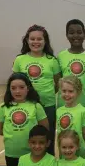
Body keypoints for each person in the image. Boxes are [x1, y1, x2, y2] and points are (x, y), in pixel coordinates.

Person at [0, 72, 49, 166]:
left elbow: (44, 128)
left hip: (32, 153)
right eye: (13, 88)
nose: (17, 91)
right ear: (9, 90)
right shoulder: (3, 107)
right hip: (12, 153)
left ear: (28, 88)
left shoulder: (35, 106)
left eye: (21, 87)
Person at [13, 24, 61, 155]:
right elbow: (15, 82)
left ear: (45, 41)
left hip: (48, 106)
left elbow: (57, 83)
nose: (36, 42)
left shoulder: (52, 60)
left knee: (48, 141)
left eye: (39, 39)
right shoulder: (20, 59)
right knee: (31, 141)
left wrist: (46, 94)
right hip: (27, 106)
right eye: (32, 39)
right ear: (27, 40)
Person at [56, 75, 85, 159]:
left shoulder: (83, 111)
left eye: (71, 91)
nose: (67, 94)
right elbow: (58, 134)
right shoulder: (58, 111)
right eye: (64, 91)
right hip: (64, 153)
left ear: (78, 92)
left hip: (79, 153)